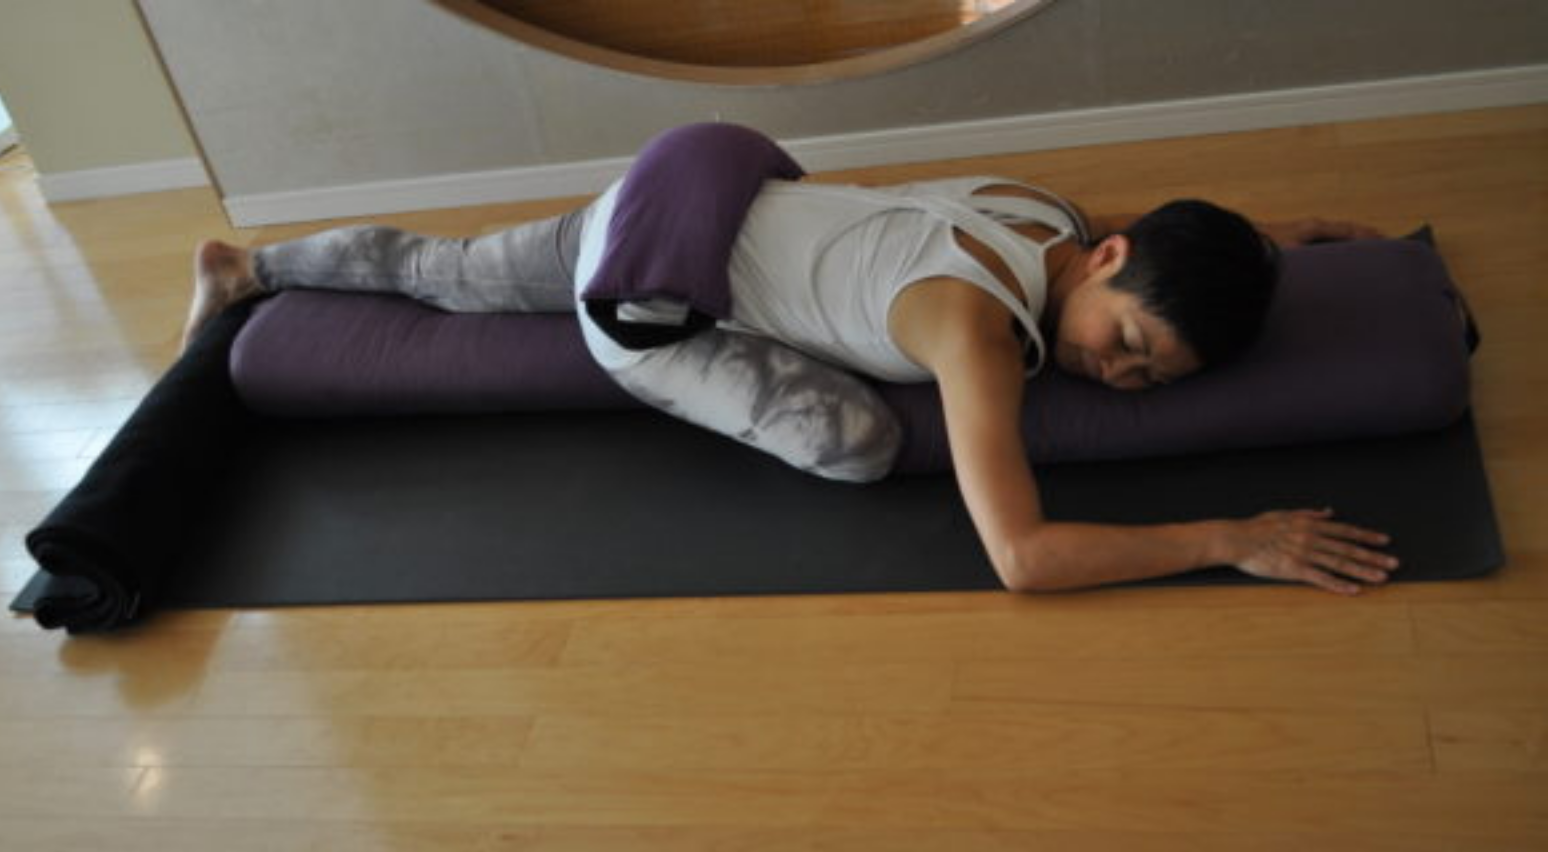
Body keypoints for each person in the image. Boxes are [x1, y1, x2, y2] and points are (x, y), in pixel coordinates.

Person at [181, 163, 1397, 597]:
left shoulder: (1050, 213)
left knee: (451, 269)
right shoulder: (975, 336)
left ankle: (247, 266)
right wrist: (1230, 539)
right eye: (1128, 342)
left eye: (1146, 377)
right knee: (859, 445)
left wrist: (1280, 247)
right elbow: (1022, 561)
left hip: (675, 188)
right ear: (1113, 257)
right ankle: (254, 277)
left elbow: (1172, 267)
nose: (1116, 373)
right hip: (646, 307)